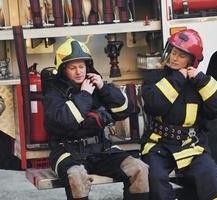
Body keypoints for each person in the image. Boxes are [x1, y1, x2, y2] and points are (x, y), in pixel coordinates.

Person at [43, 37, 149, 200]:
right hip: (67, 152)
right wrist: (85, 95)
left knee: (139, 168)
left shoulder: (96, 86)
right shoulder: (54, 93)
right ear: (63, 69)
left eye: (81, 66)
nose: (79, 72)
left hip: (100, 149)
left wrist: (104, 88)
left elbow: (124, 111)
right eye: (73, 68)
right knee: (76, 177)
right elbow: (65, 120)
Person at [141, 29, 217, 200]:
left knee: (211, 173)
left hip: (191, 145)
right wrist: (177, 79)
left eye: (181, 56)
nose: (174, 58)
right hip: (157, 145)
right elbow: (153, 105)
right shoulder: (155, 77)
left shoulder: (199, 82)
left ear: (192, 60)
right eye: (173, 52)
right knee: (155, 178)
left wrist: (200, 79)